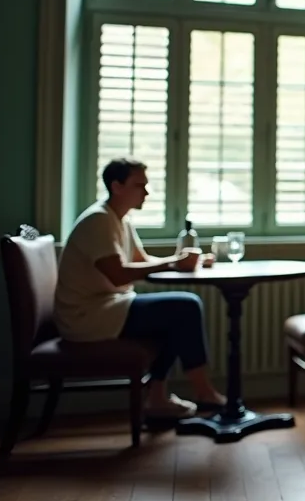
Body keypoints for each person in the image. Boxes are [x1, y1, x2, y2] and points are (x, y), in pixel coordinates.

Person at [55, 157, 226, 418]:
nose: (146, 192)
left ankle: (157, 397)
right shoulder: (98, 220)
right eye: (139, 185)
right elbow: (118, 274)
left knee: (177, 314)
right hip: (86, 317)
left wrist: (193, 262)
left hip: (106, 309)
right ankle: (203, 391)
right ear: (117, 186)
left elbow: (142, 263)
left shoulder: (120, 220)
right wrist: (174, 263)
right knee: (186, 306)